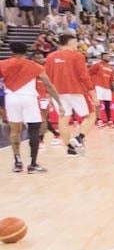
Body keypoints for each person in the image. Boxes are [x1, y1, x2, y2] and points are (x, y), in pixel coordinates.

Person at [2, 44, 67, 173]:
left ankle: (17, 162)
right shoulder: (35, 66)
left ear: (11, 52)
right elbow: (49, 85)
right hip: (29, 98)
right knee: (34, 131)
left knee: (14, 131)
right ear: (26, 52)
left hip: (11, 98)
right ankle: (33, 164)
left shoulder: (2, 64)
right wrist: (59, 103)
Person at [43, 33, 93, 156]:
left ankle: (70, 150)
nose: (77, 45)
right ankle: (79, 138)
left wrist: (48, 94)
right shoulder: (77, 55)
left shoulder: (50, 57)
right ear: (70, 42)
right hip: (75, 90)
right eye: (75, 42)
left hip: (57, 93)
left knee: (63, 119)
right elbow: (84, 76)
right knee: (91, 115)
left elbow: (46, 77)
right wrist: (93, 93)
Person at [90, 55, 114, 127]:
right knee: (98, 104)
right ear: (102, 58)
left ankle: (109, 121)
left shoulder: (111, 68)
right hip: (98, 86)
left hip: (107, 87)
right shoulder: (97, 65)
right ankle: (99, 120)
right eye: (106, 56)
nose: (108, 57)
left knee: (107, 104)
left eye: (109, 56)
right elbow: (89, 73)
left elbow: (113, 79)